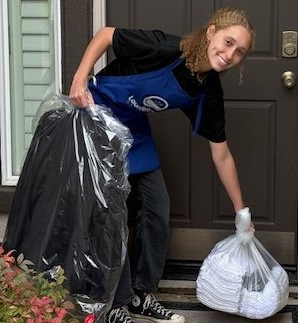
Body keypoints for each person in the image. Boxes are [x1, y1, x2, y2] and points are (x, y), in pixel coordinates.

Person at [69, 7, 255, 323]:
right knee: (111, 212)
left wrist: (242, 211)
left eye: (239, 52)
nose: (229, 54)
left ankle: (141, 295)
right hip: (97, 117)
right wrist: (78, 79)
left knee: (157, 206)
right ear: (211, 32)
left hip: (133, 127)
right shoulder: (163, 47)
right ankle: (115, 303)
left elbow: (221, 154)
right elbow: (105, 35)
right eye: (227, 42)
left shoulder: (207, 89)